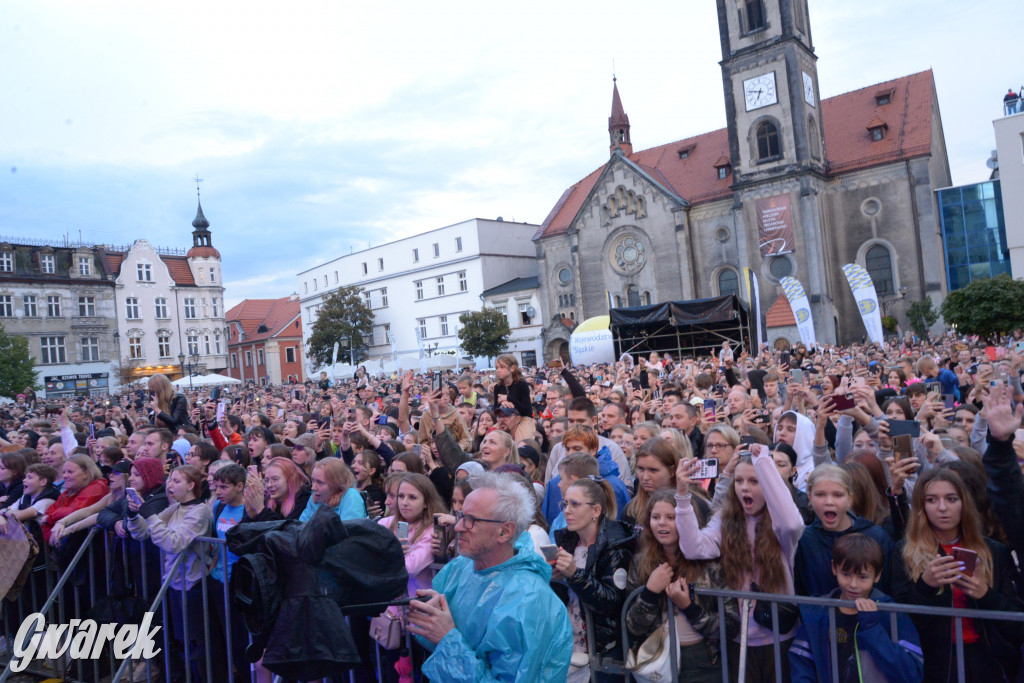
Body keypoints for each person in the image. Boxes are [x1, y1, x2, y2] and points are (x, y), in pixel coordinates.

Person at [406, 472, 573, 681]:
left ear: (504, 532)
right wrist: (433, 615)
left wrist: (447, 639)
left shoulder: (529, 600)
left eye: (470, 520)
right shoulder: (462, 567)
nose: (457, 527)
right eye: (460, 516)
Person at [675, 444, 805, 681]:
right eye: (740, 481)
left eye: (755, 482)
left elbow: (792, 524)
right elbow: (694, 547)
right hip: (739, 639)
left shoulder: (780, 525)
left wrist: (764, 463)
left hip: (779, 637)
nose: (745, 487)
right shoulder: (725, 517)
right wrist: (682, 495)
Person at [889, 467, 1024, 681]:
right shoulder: (904, 552)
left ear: (964, 504)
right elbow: (901, 625)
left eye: (951, 499)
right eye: (931, 500)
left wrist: (985, 594)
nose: (943, 508)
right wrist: (925, 585)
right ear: (921, 507)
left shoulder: (994, 551)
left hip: (988, 661)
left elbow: (1015, 624)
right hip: (934, 663)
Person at [626, 490, 739, 682]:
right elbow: (632, 626)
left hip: (702, 660)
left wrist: (690, 608)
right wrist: (649, 593)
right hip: (657, 659)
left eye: (671, 517)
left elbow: (730, 625)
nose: (662, 523)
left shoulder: (710, 562)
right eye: (655, 517)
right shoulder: (640, 562)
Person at [790, 533, 924, 683]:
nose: (853, 584)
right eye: (846, 574)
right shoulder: (818, 612)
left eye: (862, 577)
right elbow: (801, 661)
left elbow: (912, 672)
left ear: (877, 575)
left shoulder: (891, 614)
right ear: (834, 567)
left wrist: (872, 628)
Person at [127, 465, 213, 682]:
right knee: (180, 641)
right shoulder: (175, 508)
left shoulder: (199, 511)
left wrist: (149, 515)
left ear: (191, 485)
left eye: (176, 481)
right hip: (173, 583)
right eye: (170, 480)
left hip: (192, 585)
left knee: (196, 643)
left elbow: (173, 542)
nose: (170, 485)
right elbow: (143, 533)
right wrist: (134, 515)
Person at [552, 476, 637, 682]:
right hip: (570, 643)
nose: (567, 510)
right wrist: (554, 579)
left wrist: (574, 574)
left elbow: (612, 602)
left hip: (603, 650)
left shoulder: (615, 545)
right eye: (564, 503)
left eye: (574, 504)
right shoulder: (568, 540)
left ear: (596, 511)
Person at [377, 472, 443, 682]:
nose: (404, 503)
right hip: (391, 614)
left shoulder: (432, 530)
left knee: (418, 672)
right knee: (391, 670)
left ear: (426, 502)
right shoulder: (385, 523)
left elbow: (410, 566)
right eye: (401, 496)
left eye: (412, 497)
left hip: (420, 615)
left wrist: (389, 553)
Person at [793, 464, 894, 597]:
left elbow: (890, 589)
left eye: (838, 495)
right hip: (818, 616)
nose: (829, 502)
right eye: (820, 494)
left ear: (849, 500)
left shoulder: (876, 537)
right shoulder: (804, 541)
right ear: (810, 498)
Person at [299, 458, 367, 521]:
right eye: (313, 480)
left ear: (337, 483)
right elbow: (301, 528)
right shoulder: (314, 497)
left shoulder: (351, 496)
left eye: (320, 482)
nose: (313, 488)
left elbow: (349, 531)